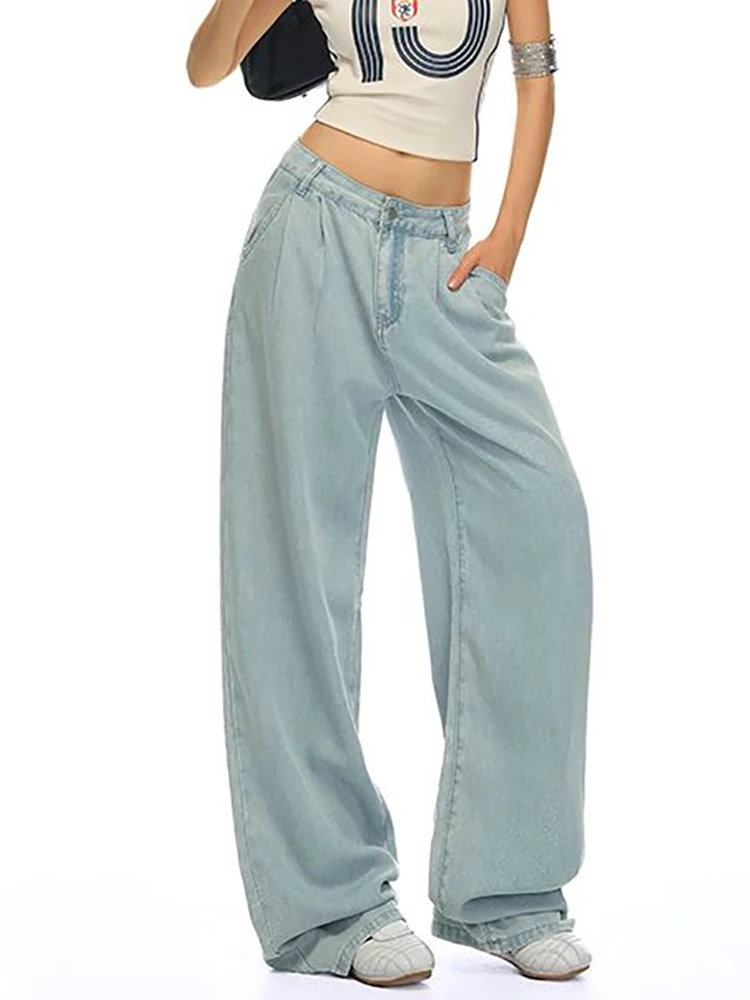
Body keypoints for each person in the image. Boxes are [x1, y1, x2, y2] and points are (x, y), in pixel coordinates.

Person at [187, 0, 593, 986]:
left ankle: (507, 891)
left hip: (447, 260)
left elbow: (538, 73)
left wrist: (510, 230)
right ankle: (333, 908)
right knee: (296, 572)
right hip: (312, 231)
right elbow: (205, 65)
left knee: (541, 522)